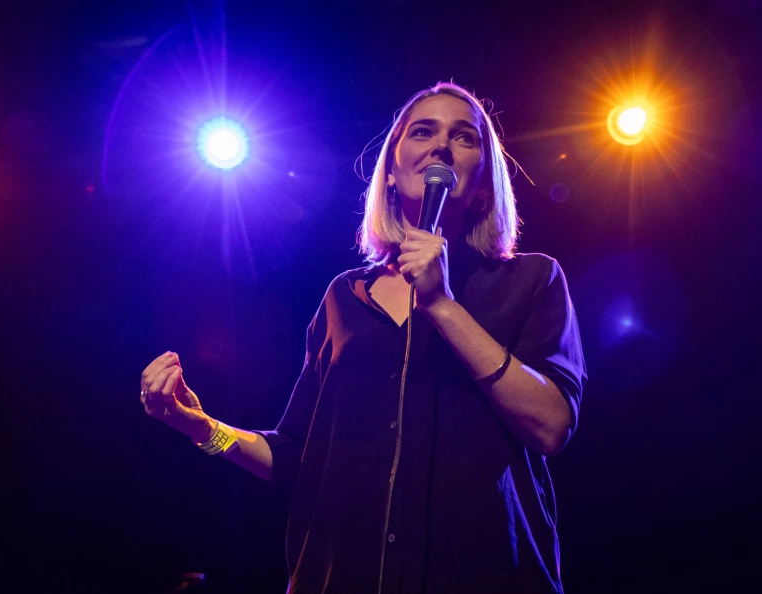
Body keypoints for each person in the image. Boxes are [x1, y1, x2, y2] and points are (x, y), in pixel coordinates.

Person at [140, 82, 587, 594]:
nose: (441, 146)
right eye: (423, 132)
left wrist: (442, 304)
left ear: (484, 183)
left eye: (464, 138)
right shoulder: (344, 298)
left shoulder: (531, 280)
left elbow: (551, 425)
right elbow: (294, 457)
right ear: (392, 171)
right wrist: (199, 427)